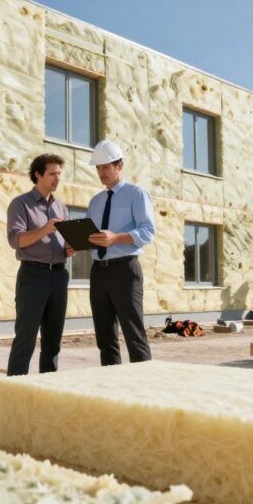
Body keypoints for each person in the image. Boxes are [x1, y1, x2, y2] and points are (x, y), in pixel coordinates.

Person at [86, 140, 155, 366]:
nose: (102, 172)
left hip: (125, 270)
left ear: (120, 166)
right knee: (104, 337)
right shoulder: (95, 202)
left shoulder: (137, 194)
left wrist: (116, 237)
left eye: (106, 166)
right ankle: (112, 390)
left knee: (134, 334)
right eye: (98, 168)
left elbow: (147, 231)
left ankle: (143, 393)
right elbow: (94, 236)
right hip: (98, 272)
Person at [5, 154, 70, 375]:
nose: (57, 178)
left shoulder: (62, 207)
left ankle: (48, 390)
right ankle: (15, 390)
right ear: (38, 175)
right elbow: (16, 240)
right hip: (33, 276)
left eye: (59, 174)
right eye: (52, 174)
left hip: (60, 276)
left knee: (53, 340)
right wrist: (45, 229)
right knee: (26, 338)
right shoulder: (20, 204)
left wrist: (70, 249)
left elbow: (63, 244)